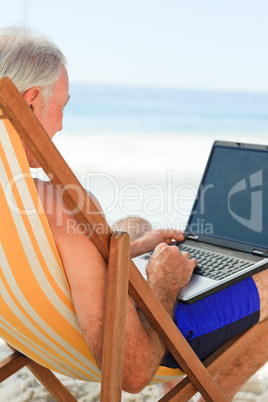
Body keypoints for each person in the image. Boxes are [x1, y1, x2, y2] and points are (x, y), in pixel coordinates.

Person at [0, 26, 267, 399]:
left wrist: (136, 249)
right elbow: (131, 370)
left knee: (134, 225)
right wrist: (164, 282)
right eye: (62, 105)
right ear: (30, 103)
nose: (61, 122)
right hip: (142, 341)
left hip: (39, 336)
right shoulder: (61, 204)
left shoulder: (15, 200)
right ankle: (204, 389)